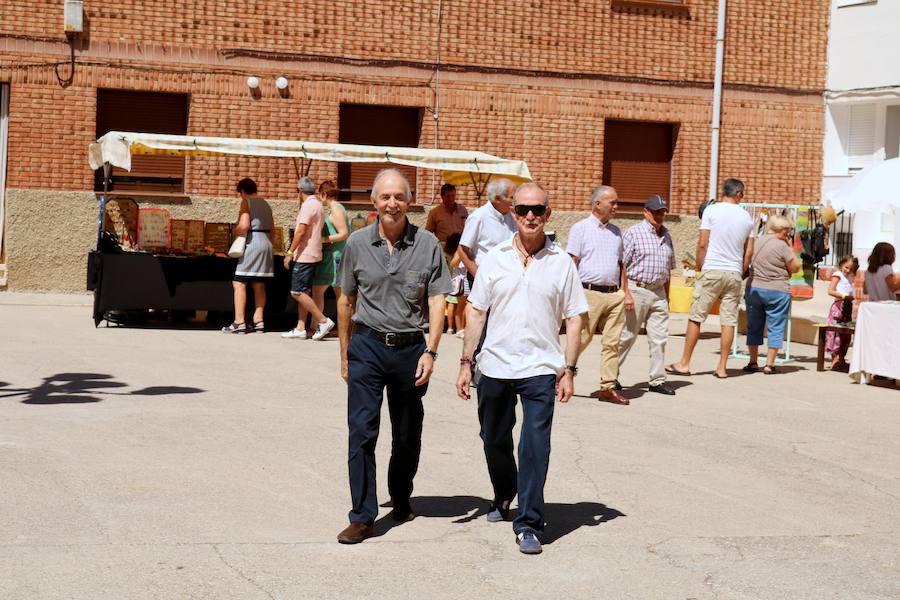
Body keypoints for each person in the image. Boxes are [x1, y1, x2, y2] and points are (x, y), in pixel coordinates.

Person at [456, 182, 587, 555]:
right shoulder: (495, 257)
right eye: (523, 210)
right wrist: (466, 362)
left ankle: (529, 522)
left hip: (541, 367)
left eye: (538, 210)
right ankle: (504, 491)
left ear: (548, 214)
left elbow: (575, 318)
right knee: (493, 437)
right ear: (512, 213)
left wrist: (569, 368)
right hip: (495, 365)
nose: (530, 216)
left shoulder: (561, 262)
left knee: (535, 445)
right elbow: (476, 311)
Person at [335, 168, 452, 545]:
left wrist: (431, 351)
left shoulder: (428, 244)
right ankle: (362, 516)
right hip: (367, 346)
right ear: (374, 201)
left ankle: (401, 496)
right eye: (385, 197)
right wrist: (344, 353)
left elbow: (438, 300)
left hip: (410, 350)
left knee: (406, 433)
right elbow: (345, 299)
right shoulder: (356, 243)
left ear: (410, 201)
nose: (392, 203)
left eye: (399, 197)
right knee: (361, 431)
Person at [668, 178, 753, 379]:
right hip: (734, 272)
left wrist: (700, 266)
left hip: (713, 268)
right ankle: (722, 367)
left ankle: (684, 363)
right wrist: (740, 271)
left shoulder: (711, 211)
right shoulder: (747, 217)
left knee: (696, 317)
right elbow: (749, 252)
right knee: (728, 321)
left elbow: (702, 243)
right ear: (738, 193)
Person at [566, 185, 628, 405]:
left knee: (613, 343)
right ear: (597, 204)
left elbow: (621, 264)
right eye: (613, 202)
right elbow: (572, 262)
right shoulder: (580, 228)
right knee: (581, 338)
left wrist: (624, 292)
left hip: (614, 295)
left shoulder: (616, 232)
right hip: (588, 293)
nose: (616, 206)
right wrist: (569, 294)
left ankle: (607, 388)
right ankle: (560, 376)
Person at [618, 195, 676, 395]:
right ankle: (610, 376)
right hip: (637, 290)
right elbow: (621, 265)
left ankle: (657, 380)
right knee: (627, 336)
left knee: (659, 339)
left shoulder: (667, 236)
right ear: (645, 212)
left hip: (658, 293)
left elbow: (669, 269)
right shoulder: (633, 233)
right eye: (656, 212)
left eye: (662, 212)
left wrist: (667, 297)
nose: (659, 216)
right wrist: (626, 293)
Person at [741, 214, 802, 375]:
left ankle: (753, 361)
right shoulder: (782, 246)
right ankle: (769, 364)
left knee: (754, 325)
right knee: (776, 327)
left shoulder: (756, 241)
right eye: (787, 231)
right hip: (777, 290)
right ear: (781, 230)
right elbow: (795, 267)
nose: (787, 234)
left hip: (754, 288)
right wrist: (791, 248)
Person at [282, 176, 334, 341]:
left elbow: (300, 231)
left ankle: (323, 321)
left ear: (300, 190)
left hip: (305, 254)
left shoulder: (307, 206)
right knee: (304, 291)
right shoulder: (318, 205)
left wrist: (290, 252)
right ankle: (300, 328)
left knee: (297, 292)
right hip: (314, 253)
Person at [222, 177, 273, 333]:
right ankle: (259, 321)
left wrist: (235, 230)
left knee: (239, 282)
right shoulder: (266, 204)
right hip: (266, 243)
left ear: (242, 191)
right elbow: (273, 229)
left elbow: (244, 226)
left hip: (252, 243)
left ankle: (239, 322)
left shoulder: (246, 202)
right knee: (259, 283)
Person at [459, 178, 517, 283]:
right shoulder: (478, 217)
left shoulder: (512, 216)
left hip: (506, 278)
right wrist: (479, 277)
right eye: (512, 198)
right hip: (484, 279)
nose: (515, 201)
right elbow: (462, 250)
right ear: (497, 198)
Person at [310, 179, 351, 322]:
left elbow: (344, 234)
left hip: (335, 256)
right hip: (336, 255)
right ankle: (342, 326)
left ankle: (317, 325)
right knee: (338, 293)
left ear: (323, 194)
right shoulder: (337, 208)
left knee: (319, 290)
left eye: (319, 194)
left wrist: (321, 239)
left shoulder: (336, 209)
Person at [825, 254, 858, 372]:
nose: (848, 270)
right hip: (838, 306)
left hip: (847, 307)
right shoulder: (838, 275)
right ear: (841, 265)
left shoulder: (850, 277)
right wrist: (844, 296)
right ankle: (834, 359)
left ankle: (842, 359)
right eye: (846, 267)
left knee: (846, 333)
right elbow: (830, 290)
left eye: (851, 269)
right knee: (836, 333)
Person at [443, 232, 468, 336]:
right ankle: (459, 329)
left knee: (461, 305)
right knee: (461, 306)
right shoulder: (459, 251)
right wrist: (462, 254)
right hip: (460, 281)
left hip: (461, 280)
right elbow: (454, 264)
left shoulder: (455, 250)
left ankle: (459, 328)